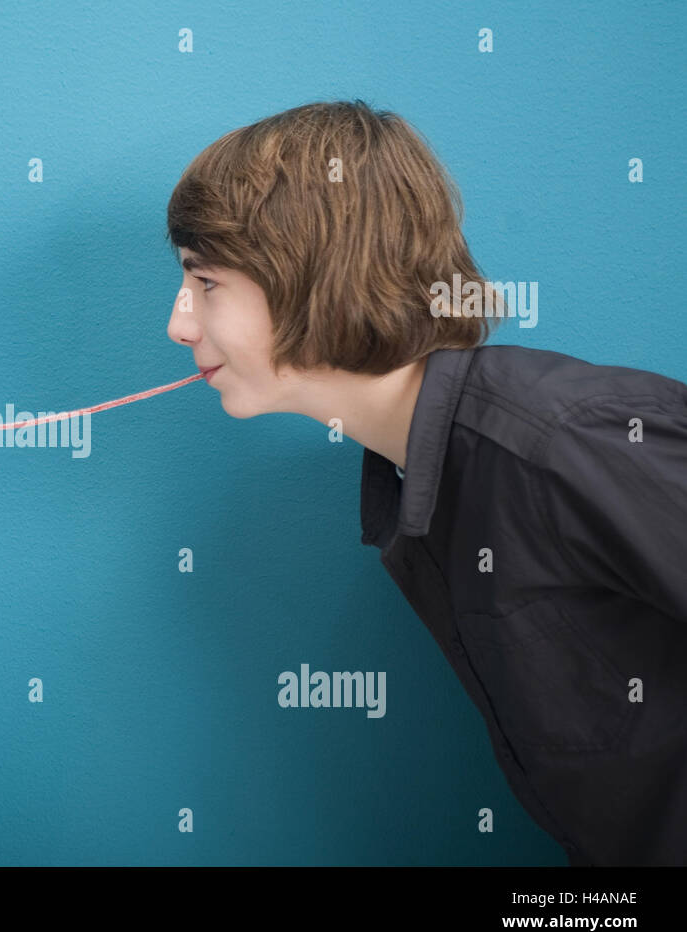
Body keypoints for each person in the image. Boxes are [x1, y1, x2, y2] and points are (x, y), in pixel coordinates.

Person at [165, 100, 687, 865]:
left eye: (205, 281)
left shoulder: (561, 440)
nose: (180, 324)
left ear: (314, 266)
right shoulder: (420, 480)